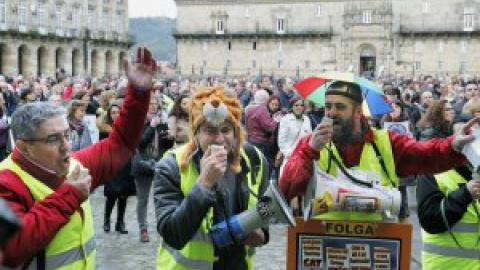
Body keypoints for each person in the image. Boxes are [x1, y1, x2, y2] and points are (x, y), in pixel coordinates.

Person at [0, 47, 155, 269]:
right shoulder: (6, 181)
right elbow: (12, 250)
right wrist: (69, 195)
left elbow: (120, 144)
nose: (66, 146)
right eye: (53, 139)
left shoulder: (74, 164)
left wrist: (139, 94)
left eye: (67, 134)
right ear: (24, 147)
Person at [278, 80, 479, 221]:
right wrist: (308, 151)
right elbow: (287, 188)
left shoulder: (385, 142)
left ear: (358, 111)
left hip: (378, 249)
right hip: (325, 247)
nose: (331, 113)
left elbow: (426, 154)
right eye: (328, 106)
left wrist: (454, 144)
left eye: (340, 107)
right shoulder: (311, 144)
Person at [153, 86, 270, 270]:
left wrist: (263, 233)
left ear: (236, 132)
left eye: (226, 130)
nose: (219, 139)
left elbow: (265, 206)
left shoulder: (254, 159)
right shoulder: (172, 166)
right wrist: (204, 184)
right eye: (210, 130)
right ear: (196, 133)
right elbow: (172, 234)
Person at [417, 119, 480, 270]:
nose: (471, 143)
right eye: (465, 136)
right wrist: (465, 194)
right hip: (445, 266)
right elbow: (430, 220)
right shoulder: (432, 172)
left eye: (476, 137)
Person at [133, 94, 173, 243]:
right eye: (150, 104)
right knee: (142, 199)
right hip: (143, 165)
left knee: (160, 197)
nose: (153, 106)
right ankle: (143, 228)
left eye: (155, 104)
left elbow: (164, 146)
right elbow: (140, 144)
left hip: (159, 164)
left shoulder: (162, 120)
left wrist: (170, 139)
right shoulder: (138, 122)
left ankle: (162, 225)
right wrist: (151, 127)